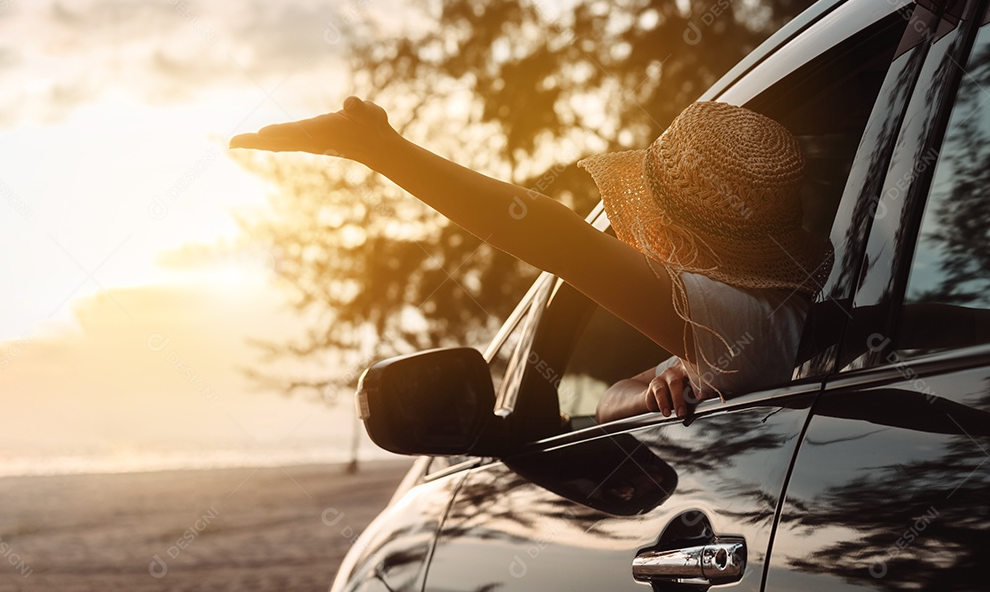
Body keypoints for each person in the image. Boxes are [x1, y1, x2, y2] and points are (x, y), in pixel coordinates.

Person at [230, 97, 831, 423]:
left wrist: (382, 151)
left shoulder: (739, 319)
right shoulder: (743, 321)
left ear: (670, 240)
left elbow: (558, 239)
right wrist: (658, 386)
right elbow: (610, 398)